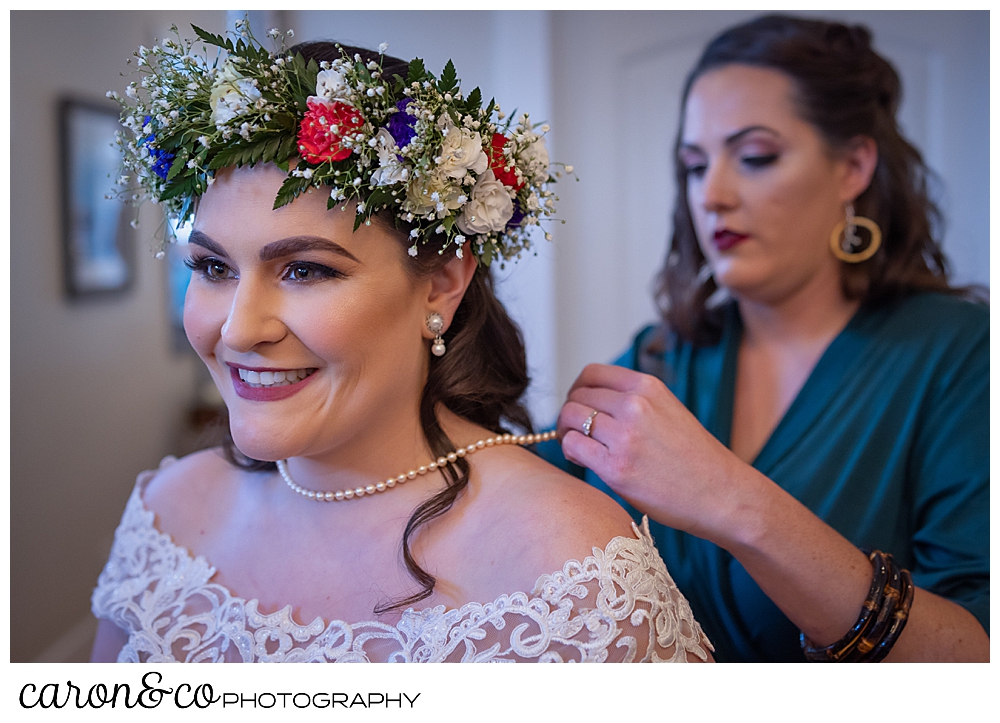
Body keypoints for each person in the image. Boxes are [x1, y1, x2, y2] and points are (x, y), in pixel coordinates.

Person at [89, 25, 713, 663]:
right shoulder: (166, 514)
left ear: (441, 285)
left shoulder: (572, 571)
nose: (240, 329)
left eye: (305, 269)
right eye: (213, 268)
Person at [540, 14, 988, 662]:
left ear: (853, 166)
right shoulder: (663, 358)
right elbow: (510, 476)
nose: (712, 194)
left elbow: (977, 657)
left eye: (755, 157)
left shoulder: (959, 354)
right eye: (695, 167)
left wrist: (729, 496)